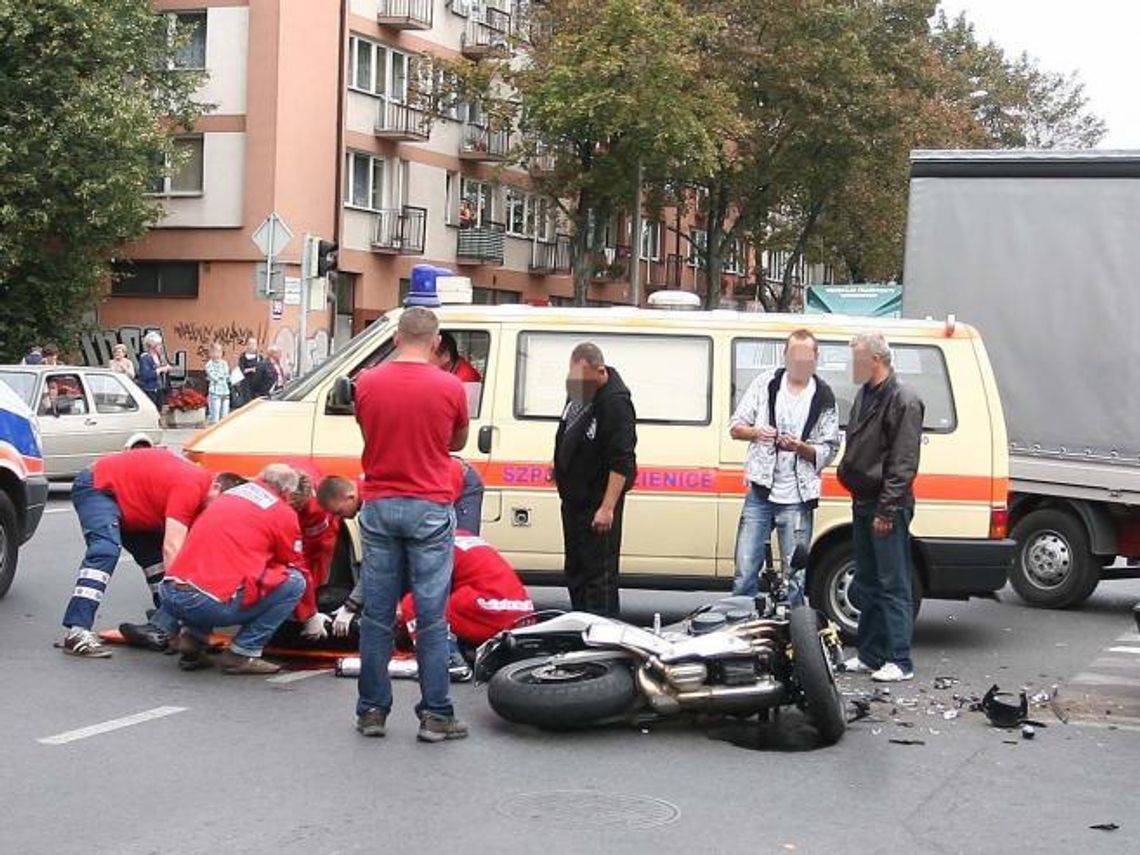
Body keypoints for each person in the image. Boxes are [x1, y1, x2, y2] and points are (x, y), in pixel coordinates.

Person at [353, 306, 470, 742]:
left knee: (377, 615)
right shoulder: (450, 386)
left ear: (397, 338)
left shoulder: (367, 382)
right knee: (431, 617)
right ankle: (436, 715)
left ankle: (371, 711)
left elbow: (368, 430)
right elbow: (455, 441)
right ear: (436, 341)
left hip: (380, 503)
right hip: (430, 506)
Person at [58, 448, 243, 657]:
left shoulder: (204, 495)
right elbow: (172, 547)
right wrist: (182, 598)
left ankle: (162, 625)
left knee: (155, 562)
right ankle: (77, 630)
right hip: (98, 486)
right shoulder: (192, 485)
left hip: (134, 502)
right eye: (221, 505)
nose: (219, 513)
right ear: (216, 486)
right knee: (105, 551)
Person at [149, 465, 319, 675]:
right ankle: (242, 653)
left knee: (212, 574)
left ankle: (193, 638)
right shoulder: (281, 512)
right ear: (287, 492)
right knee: (294, 581)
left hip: (170, 594)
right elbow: (293, 563)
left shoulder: (228, 496)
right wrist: (310, 616)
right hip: (205, 602)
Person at [729, 329, 841, 605]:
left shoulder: (824, 397)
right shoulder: (765, 384)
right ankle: (743, 631)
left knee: (795, 575)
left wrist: (800, 448)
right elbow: (735, 427)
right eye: (795, 357)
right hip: (761, 491)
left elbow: (830, 449)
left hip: (797, 498)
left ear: (816, 358)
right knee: (745, 569)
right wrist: (757, 432)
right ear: (785, 356)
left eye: (806, 358)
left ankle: (794, 637)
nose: (800, 364)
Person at [837, 332, 924, 684]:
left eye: (856, 358)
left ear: (875, 358)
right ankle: (870, 655)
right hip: (864, 499)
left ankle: (900, 660)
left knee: (893, 582)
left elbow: (903, 462)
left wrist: (887, 511)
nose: (852, 366)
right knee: (869, 581)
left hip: (887, 504)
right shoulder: (866, 394)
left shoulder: (903, 400)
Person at [553, 342, 637, 618]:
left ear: (600, 371)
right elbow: (568, 430)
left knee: (598, 579)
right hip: (574, 499)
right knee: (575, 572)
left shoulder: (615, 402)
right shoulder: (580, 389)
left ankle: (602, 636)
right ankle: (580, 630)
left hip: (597, 502)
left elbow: (621, 460)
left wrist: (607, 507)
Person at [137, 332, 170, 409]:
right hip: (150, 389)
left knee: (159, 410)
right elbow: (146, 375)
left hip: (160, 389)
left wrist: (166, 369)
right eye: (158, 345)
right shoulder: (145, 358)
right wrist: (160, 370)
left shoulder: (159, 357)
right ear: (152, 346)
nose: (161, 347)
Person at [204, 342, 231, 424]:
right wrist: (222, 376)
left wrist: (225, 377)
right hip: (215, 392)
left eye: (219, 351)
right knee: (215, 415)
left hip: (225, 391)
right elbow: (214, 376)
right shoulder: (209, 364)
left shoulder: (224, 363)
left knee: (225, 415)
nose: (218, 354)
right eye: (215, 351)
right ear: (211, 352)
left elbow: (227, 375)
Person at [237, 338, 260, 406]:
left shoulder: (259, 357)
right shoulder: (243, 357)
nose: (252, 346)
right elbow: (241, 370)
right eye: (250, 344)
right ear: (247, 345)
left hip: (256, 384)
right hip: (246, 384)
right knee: (247, 403)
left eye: (254, 344)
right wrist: (251, 369)